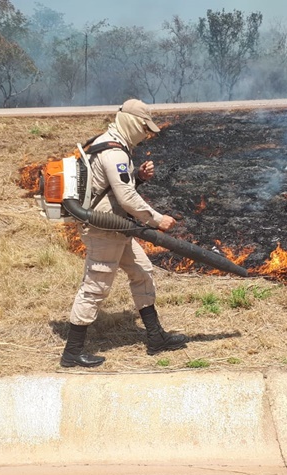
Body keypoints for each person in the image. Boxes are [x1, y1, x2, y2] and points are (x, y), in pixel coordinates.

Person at [60, 99, 188, 368]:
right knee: (95, 287)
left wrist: (139, 176)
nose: (146, 134)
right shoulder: (114, 151)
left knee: (142, 272)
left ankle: (155, 337)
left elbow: (117, 187)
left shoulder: (115, 146)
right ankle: (72, 353)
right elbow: (126, 197)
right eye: (144, 127)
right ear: (131, 122)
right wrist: (156, 219)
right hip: (104, 230)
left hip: (117, 227)